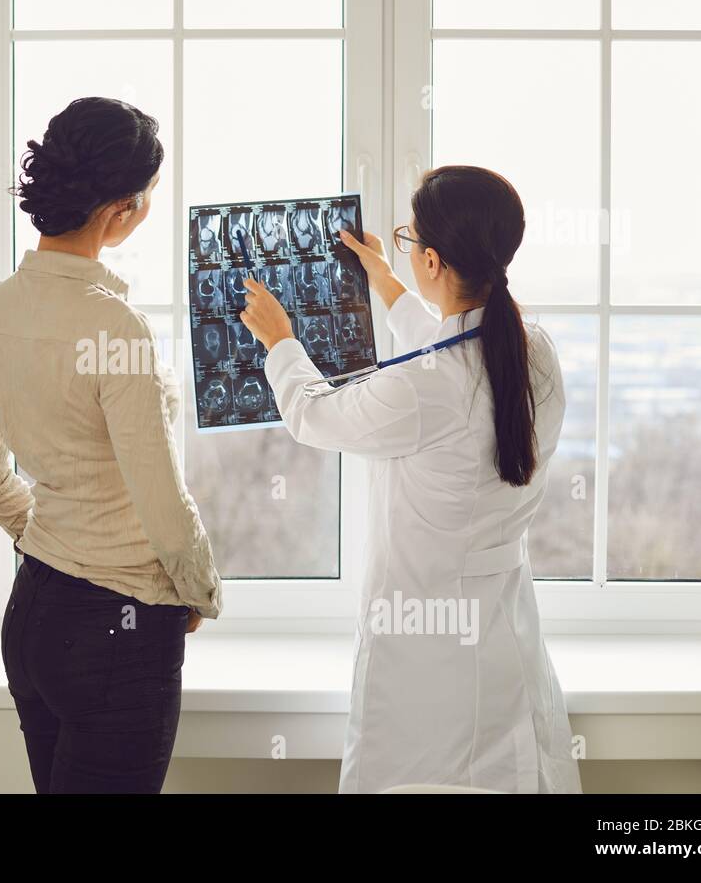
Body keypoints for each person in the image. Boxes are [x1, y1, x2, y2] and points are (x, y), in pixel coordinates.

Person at [239, 165, 581, 794]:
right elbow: (452, 357)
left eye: (407, 239)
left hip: (427, 650)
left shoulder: (425, 387)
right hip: (503, 631)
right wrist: (390, 286)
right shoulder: (533, 351)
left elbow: (313, 414)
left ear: (432, 258)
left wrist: (281, 341)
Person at [0, 96, 222, 794]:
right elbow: (162, 503)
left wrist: (45, 532)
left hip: (33, 615)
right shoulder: (119, 329)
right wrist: (199, 591)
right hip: (119, 630)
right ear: (118, 211)